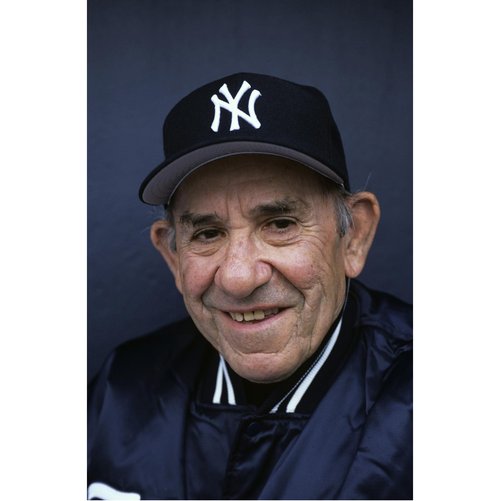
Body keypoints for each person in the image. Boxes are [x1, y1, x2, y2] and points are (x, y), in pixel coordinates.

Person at [87, 73, 412, 500]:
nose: (238, 278)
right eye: (207, 234)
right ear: (173, 256)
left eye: (280, 224)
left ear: (354, 237)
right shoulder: (121, 389)